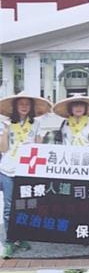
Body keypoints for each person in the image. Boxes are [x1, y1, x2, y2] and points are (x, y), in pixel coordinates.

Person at [0, 93, 51, 258]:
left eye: (27, 104)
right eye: (20, 104)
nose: (24, 107)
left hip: (28, 169)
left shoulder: (36, 124)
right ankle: (9, 241)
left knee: (25, 206)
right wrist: (5, 131)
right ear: (15, 107)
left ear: (31, 108)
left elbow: (39, 147)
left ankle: (21, 237)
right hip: (8, 169)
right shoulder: (5, 123)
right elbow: (3, 148)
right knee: (8, 207)